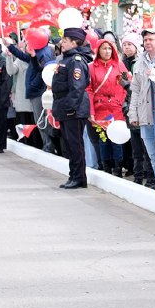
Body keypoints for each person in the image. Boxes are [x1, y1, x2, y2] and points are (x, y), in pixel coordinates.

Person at [127, 28, 155, 189]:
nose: (147, 42)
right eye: (145, 40)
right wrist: (133, 113)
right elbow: (136, 90)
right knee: (153, 155)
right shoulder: (140, 61)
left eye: (151, 39)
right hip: (145, 116)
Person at [53, 28, 93, 188]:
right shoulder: (66, 59)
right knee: (70, 144)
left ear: (74, 42)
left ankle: (78, 178)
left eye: (65, 40)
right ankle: (73, 176)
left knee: (75, 145)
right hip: (65, 107)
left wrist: (70, 108)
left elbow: (77, 88)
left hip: (73, 110)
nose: (62, 43)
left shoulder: (76, 60)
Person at [8, 33, 57, 153]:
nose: (27, 44)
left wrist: (33, 84)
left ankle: (49, 144)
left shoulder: (44, 53)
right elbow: (25, 57)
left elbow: (43, 71)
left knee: (42, 120)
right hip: (35, 91)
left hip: (39, 91)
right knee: (39, 120)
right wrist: (10, 47)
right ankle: (47, 145)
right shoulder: (38, 51)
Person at [87, 39, 128, 174]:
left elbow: (126, 86)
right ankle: (106, 167)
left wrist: (120, 102)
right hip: (100, 109)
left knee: (117, 140)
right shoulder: (91, 67)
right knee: (103, 139)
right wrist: (91, 110)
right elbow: (88, 90)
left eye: (109, 48)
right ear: (98, 50)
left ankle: (117, 168)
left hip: (117, 108)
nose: (107, 51)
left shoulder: (119, 65)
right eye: (104, 48)